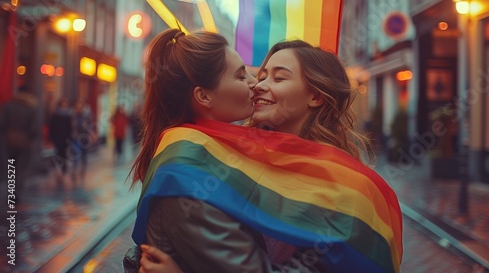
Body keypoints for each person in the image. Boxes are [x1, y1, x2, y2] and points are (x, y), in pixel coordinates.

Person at [129, 33, 402, 272]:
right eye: (256, 75)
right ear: (203, 96)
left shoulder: (338, 177)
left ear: (315, 97)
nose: (257, 84)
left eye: (279, 77)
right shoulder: (228, 160)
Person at [0, 85, 38, 203]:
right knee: (21, 169)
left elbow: (2, 124)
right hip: (24, 142)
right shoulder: (31, 108)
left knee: (11, 167)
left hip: (10, 141)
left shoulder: (8, 106)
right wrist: (30, 139)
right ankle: (17, 193)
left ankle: (10, 193)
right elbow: (34, 129)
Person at [49, 97, 73, 182]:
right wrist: (51, 137)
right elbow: (52, 127)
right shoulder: (56, 114)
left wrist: (71, 137)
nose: (64, 106)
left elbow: (71, 127)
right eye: (62, 104)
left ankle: (63, 170)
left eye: (65, 104)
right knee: (58, 153)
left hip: (67, 138)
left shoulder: (70, 115)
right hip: (58, 137)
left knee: (65, 154)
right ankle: (59, 170)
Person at [70, 99, 94, 182]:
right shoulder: (72, 116)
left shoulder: (86, 116)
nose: (79, 109)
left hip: (85, 138)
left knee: (84, 155)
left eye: (80, 107)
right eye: (77, 107)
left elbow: (89, 126)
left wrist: (91, 134)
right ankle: (75, 170)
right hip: (76, 138)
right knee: (75, 155)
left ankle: (83, 170)